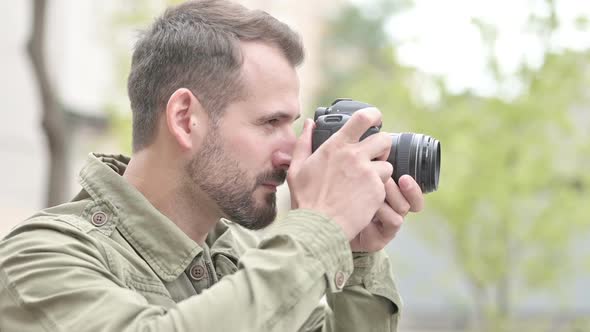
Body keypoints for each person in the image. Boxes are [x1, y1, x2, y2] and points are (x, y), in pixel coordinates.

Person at [0, 0, 424, 331]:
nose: (291, 151)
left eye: (291, 125)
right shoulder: (39, 261)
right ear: (186, 119)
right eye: (270, 123)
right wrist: (321, 225)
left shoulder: (244, 261)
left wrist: (356, 255)